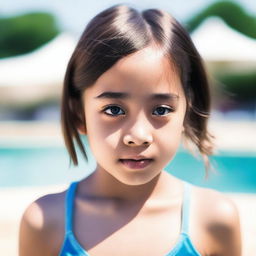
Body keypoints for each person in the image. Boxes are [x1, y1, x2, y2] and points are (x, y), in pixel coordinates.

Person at [19, 4, 241, 256]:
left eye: (161, 110)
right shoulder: (45, 222)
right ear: (79, 113)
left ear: (186, 112)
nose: (138, 136)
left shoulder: (214, 219)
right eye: (114, 110)